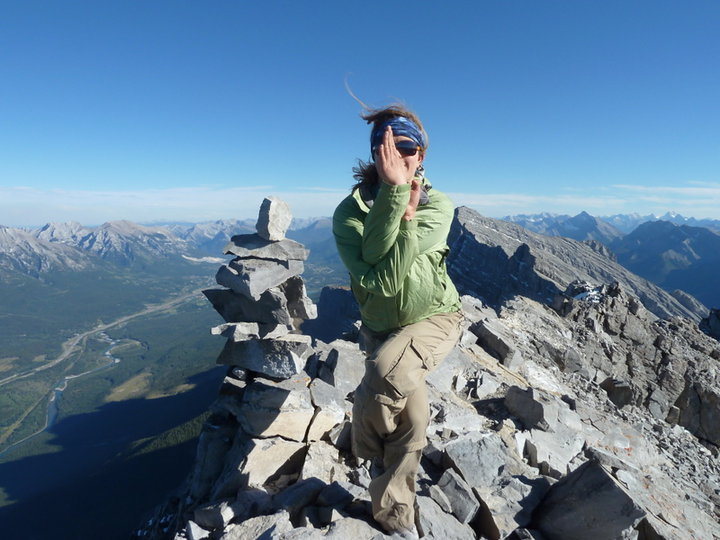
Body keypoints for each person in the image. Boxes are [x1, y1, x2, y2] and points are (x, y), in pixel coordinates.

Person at [332, 104, 463, 537]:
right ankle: (394, 516)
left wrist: (399, 202)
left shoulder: (440, 205)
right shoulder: (347, 214)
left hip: (437, 317)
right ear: (376, 154)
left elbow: (385, 276)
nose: (400, 155)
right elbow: (384, 275)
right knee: (414, 422)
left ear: (421, 155)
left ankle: (364, 445)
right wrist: (395, 199)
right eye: (389, 147)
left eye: (408, 147)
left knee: (384, 370)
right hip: (382, 327)